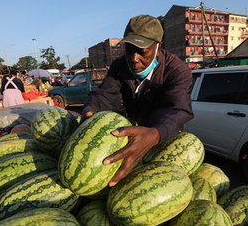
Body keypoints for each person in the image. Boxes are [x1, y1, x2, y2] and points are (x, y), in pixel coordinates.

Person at [82, 14, 194, 187]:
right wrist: (92, 108)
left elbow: (177, 109)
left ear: (158, 47)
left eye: (142, 52)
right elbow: (105, 94)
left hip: (162, 138)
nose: (134, 59)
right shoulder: (120, 65)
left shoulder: (177, 70)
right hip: (134, 132)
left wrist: (156, 133)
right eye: (129, 50)